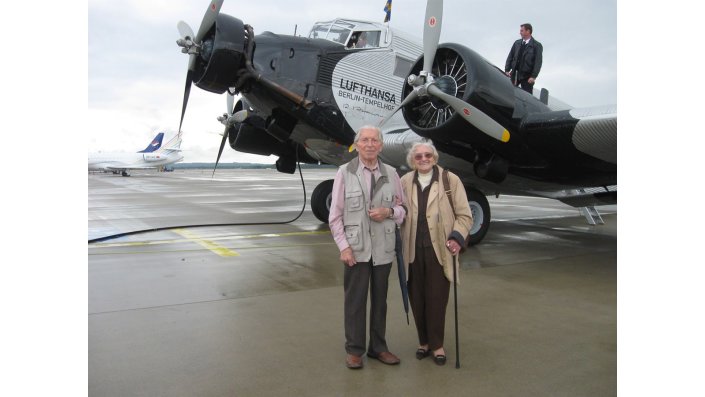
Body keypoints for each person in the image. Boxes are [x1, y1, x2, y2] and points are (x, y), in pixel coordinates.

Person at [328, 125, 407, 369]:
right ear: (357, 144)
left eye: (375, 140)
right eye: (365, 140)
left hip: (383, 249)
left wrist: (389, 211)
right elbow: (335, 215)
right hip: (356, 249)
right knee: (355, 302)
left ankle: (378, 348)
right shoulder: (345, 172)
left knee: (380, 301)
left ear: (381, 145)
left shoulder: (392, 173)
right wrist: (344, 247)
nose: (370, 144)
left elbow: (403, 210)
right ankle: (354, 350)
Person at [399, 142, 472, 366]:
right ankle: (424, 342)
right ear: (413, 160)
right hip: (411, 251)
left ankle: (437, 345)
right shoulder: (403, 182)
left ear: (435, 157)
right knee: (417, 299)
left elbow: (465, 216)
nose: (423, 159)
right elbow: (398, 211)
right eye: (418, 156)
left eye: (427, 155)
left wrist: (457, 237)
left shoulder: (451, 180)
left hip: (439, 250)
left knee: (436, 300)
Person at [504, 23, 543, 94]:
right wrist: (507, 70)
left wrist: (533, 76)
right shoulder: (517, 43)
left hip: (527, 77)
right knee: (508, 94)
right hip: (515, 74)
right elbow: (510, 56)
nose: (520, 33)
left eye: (522, 31)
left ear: (528, 31)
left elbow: (538, 63)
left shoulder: (537, 46)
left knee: (527, 97)